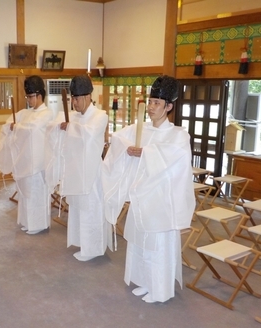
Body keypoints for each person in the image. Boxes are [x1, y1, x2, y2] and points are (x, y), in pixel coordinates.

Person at [102, 75, 195, 303]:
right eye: (150, 102)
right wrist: (128, 148)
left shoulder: (178, 135)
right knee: (139, 240)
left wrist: (145, 152)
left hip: (161, 200)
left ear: (169, 106)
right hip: (140, 196)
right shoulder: (141, 128)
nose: (151, 107)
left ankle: (160, 290)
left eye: (157, 103)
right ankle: (144, 281)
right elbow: (118, 138)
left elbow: (173, 158)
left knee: (157, 245)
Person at [46, 74, 113, 261]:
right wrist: (63, 127)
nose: (74, 103)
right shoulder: (74, 116)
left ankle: (93, 249)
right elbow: (52, 126)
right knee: (77, 207)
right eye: (72, 99)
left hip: (91, 172)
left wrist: (70, 127)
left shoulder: (100, 116)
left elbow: (89, 135)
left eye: (76, 99)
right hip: (76, 170)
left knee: (90, 209)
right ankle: (83, 243)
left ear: (87, 97)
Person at [0, 76, 53, 234]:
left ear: (39, 95)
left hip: (37, 162)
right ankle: (27, 221)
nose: (28, 100)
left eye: (30, 96)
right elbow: (10, 123)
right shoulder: (26, 113)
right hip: (24, 159)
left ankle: (38, 224)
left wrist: (17, 126)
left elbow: (32, 128)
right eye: (27, 97)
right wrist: (12, 126)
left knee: (36, 192)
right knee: (25, 192)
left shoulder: (47, 113)